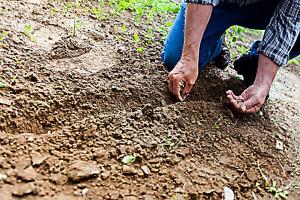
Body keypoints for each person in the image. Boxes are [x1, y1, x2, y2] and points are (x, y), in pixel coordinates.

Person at [161, 0, 300, 113]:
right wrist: (188, 57)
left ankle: (256, 64)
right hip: (220, 4)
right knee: (175, 58)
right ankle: (217, 43)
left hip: (266, 8)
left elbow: (290, 20)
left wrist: (262, 83)